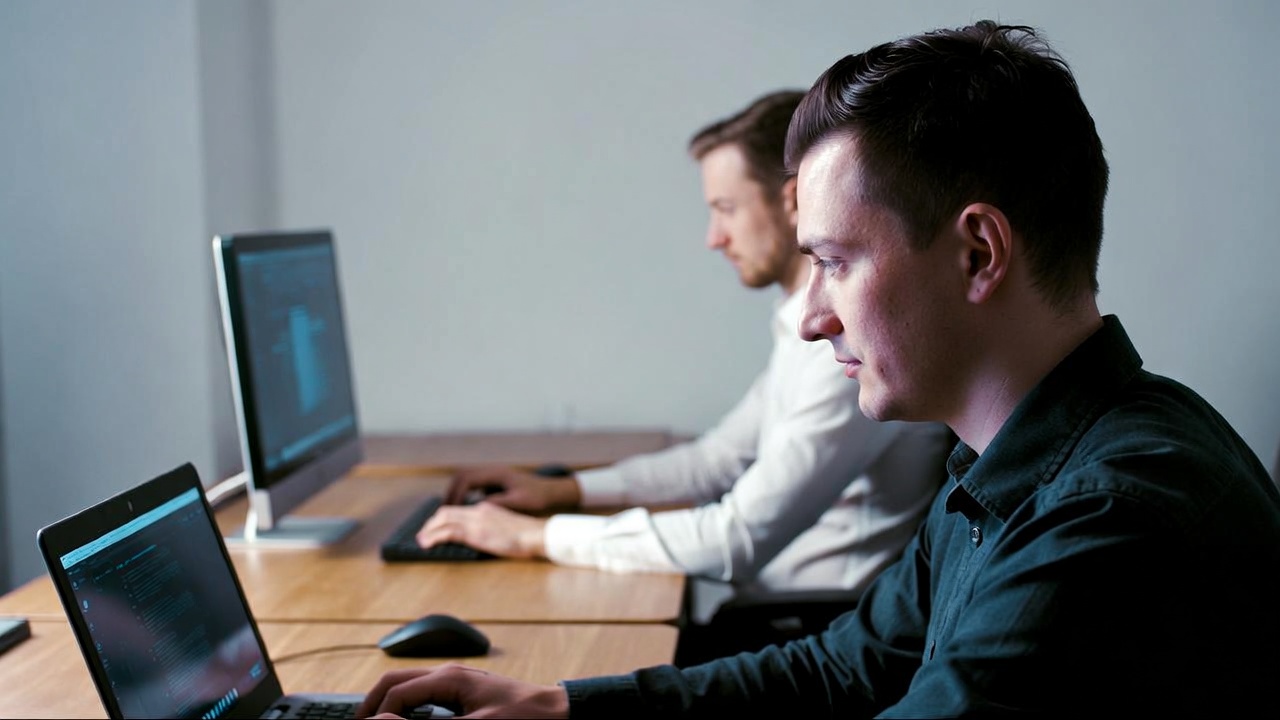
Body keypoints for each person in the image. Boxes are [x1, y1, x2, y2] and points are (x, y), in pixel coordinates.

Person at [358, 21, 1280, 718]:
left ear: (977, 254)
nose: (807, 319)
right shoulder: (1001, 468)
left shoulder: (1110, 519)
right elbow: (851, 664)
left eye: (835, 263)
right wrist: (561, 706)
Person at [415, 90, 952, 660]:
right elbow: (716, 460)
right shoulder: (806, 331)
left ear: (791, 200)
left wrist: (536, 537)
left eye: (724, 209)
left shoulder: (845, 348)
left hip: (809, 634)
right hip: (776, 619)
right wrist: (563, 491)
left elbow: (736, 539)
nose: (713, 237)